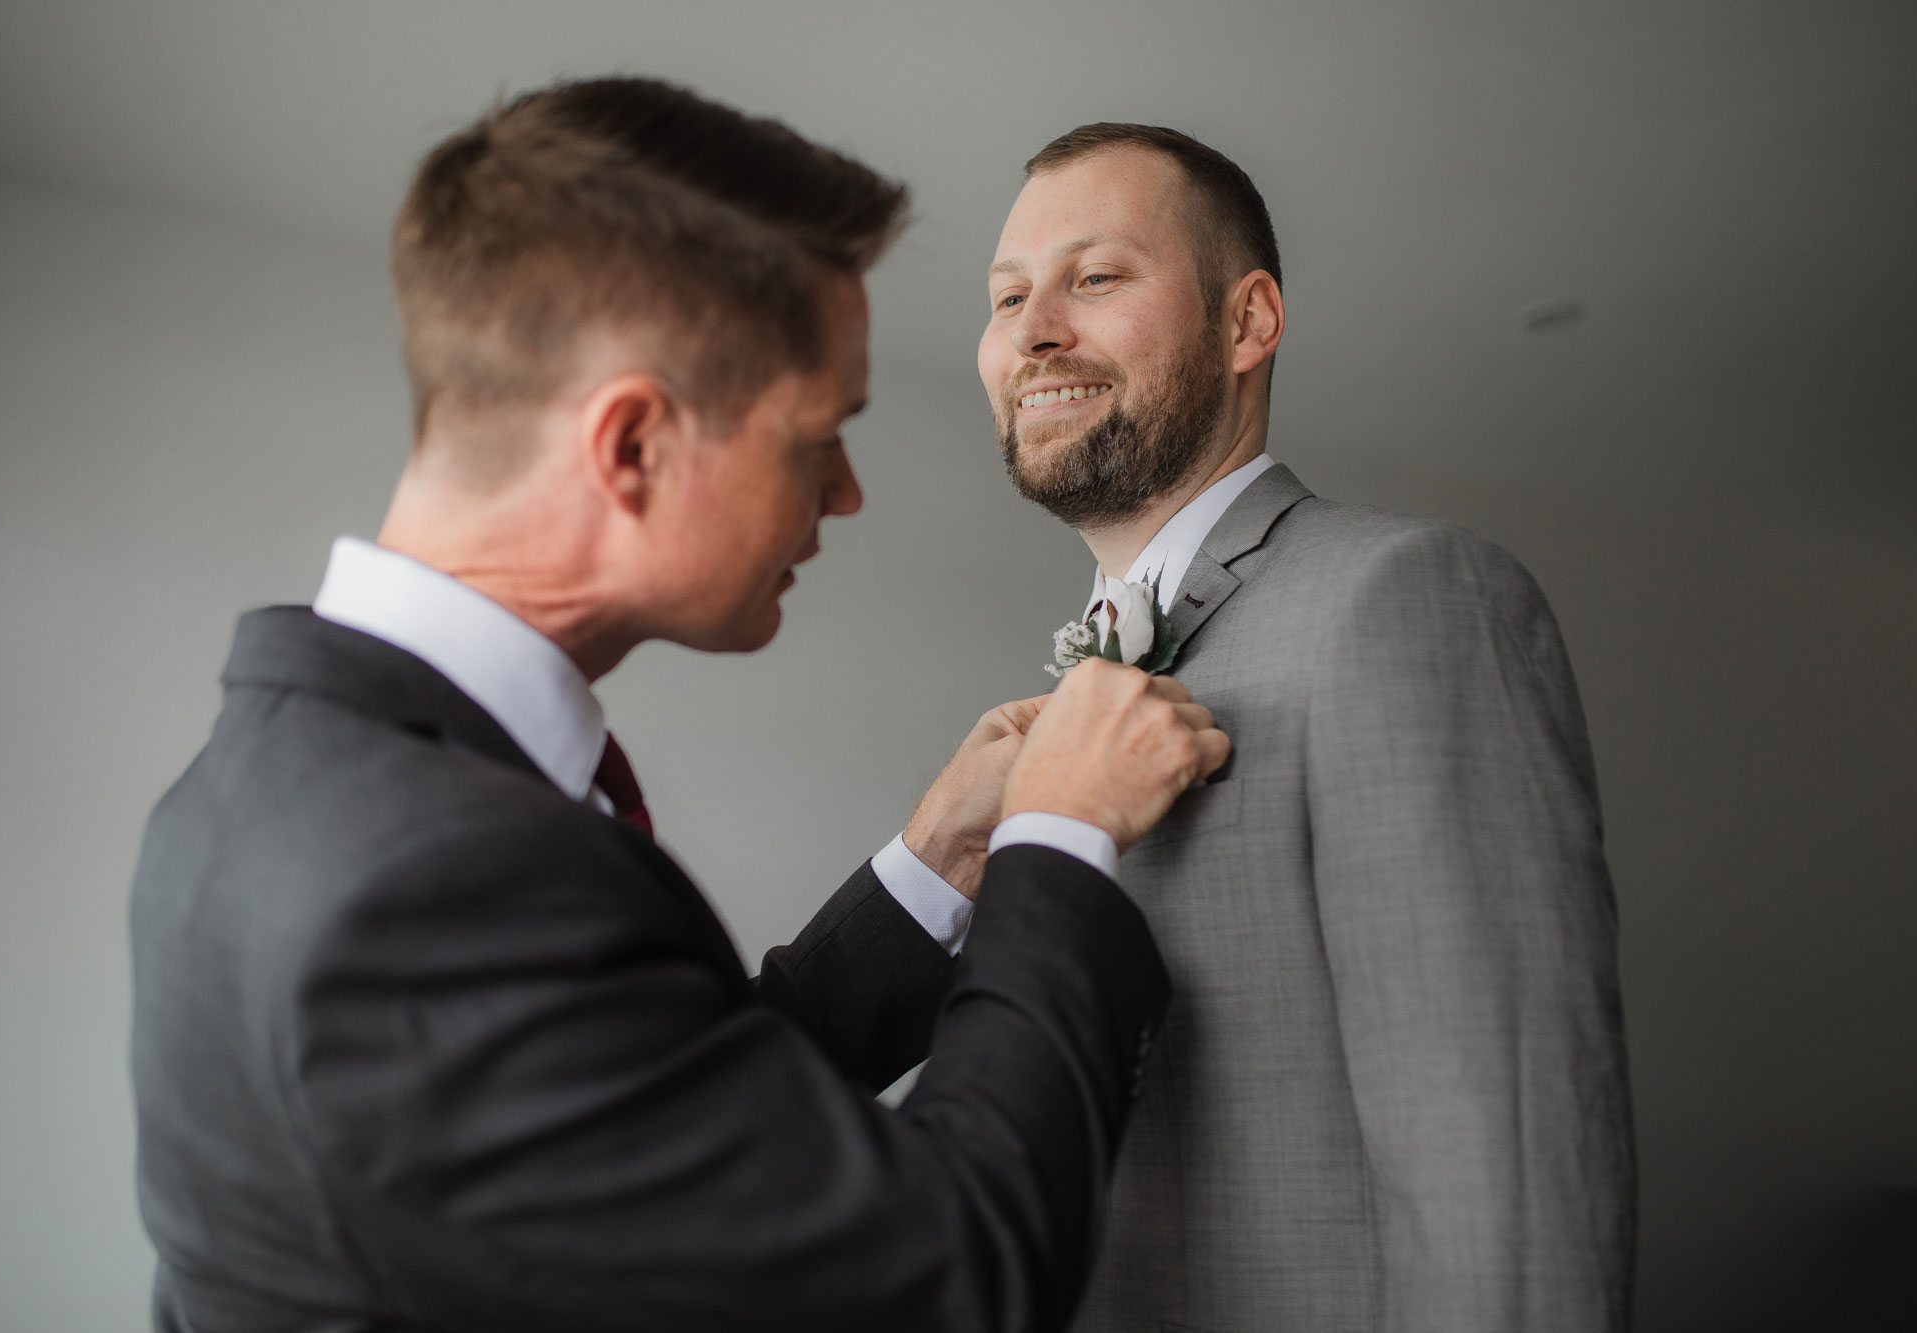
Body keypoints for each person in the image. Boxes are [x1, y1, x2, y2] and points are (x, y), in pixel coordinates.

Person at [127, 81, 1231, 1333]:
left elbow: (647, 1130)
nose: (849, 492)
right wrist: (1057, 841)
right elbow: (942, 1276)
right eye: (821, 434)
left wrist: (939, 866)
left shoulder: (294, 772)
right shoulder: (425, 874)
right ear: (632, 445)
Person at [940, 122, 1636, 1331]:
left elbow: (1507, 1167)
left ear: (1246, 320)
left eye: (1093, 277)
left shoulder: (1406, 597)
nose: (1033, 329)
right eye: (1007, 296)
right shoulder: (1060, 706)